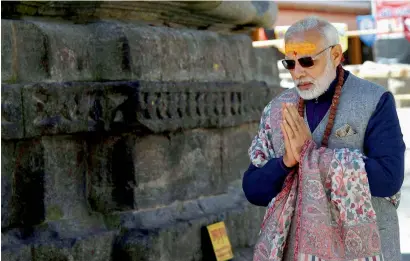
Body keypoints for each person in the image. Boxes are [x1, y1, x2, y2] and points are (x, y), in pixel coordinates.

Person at [243, 16, 405, 261]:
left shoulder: (374, 101)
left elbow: (388, 179)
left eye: (307, 61)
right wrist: (286, 161)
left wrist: (312, 156)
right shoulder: (277, 109)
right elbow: (253, 189)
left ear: (336, 55)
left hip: (362, 251)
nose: (298, 72)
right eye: (290, 63)